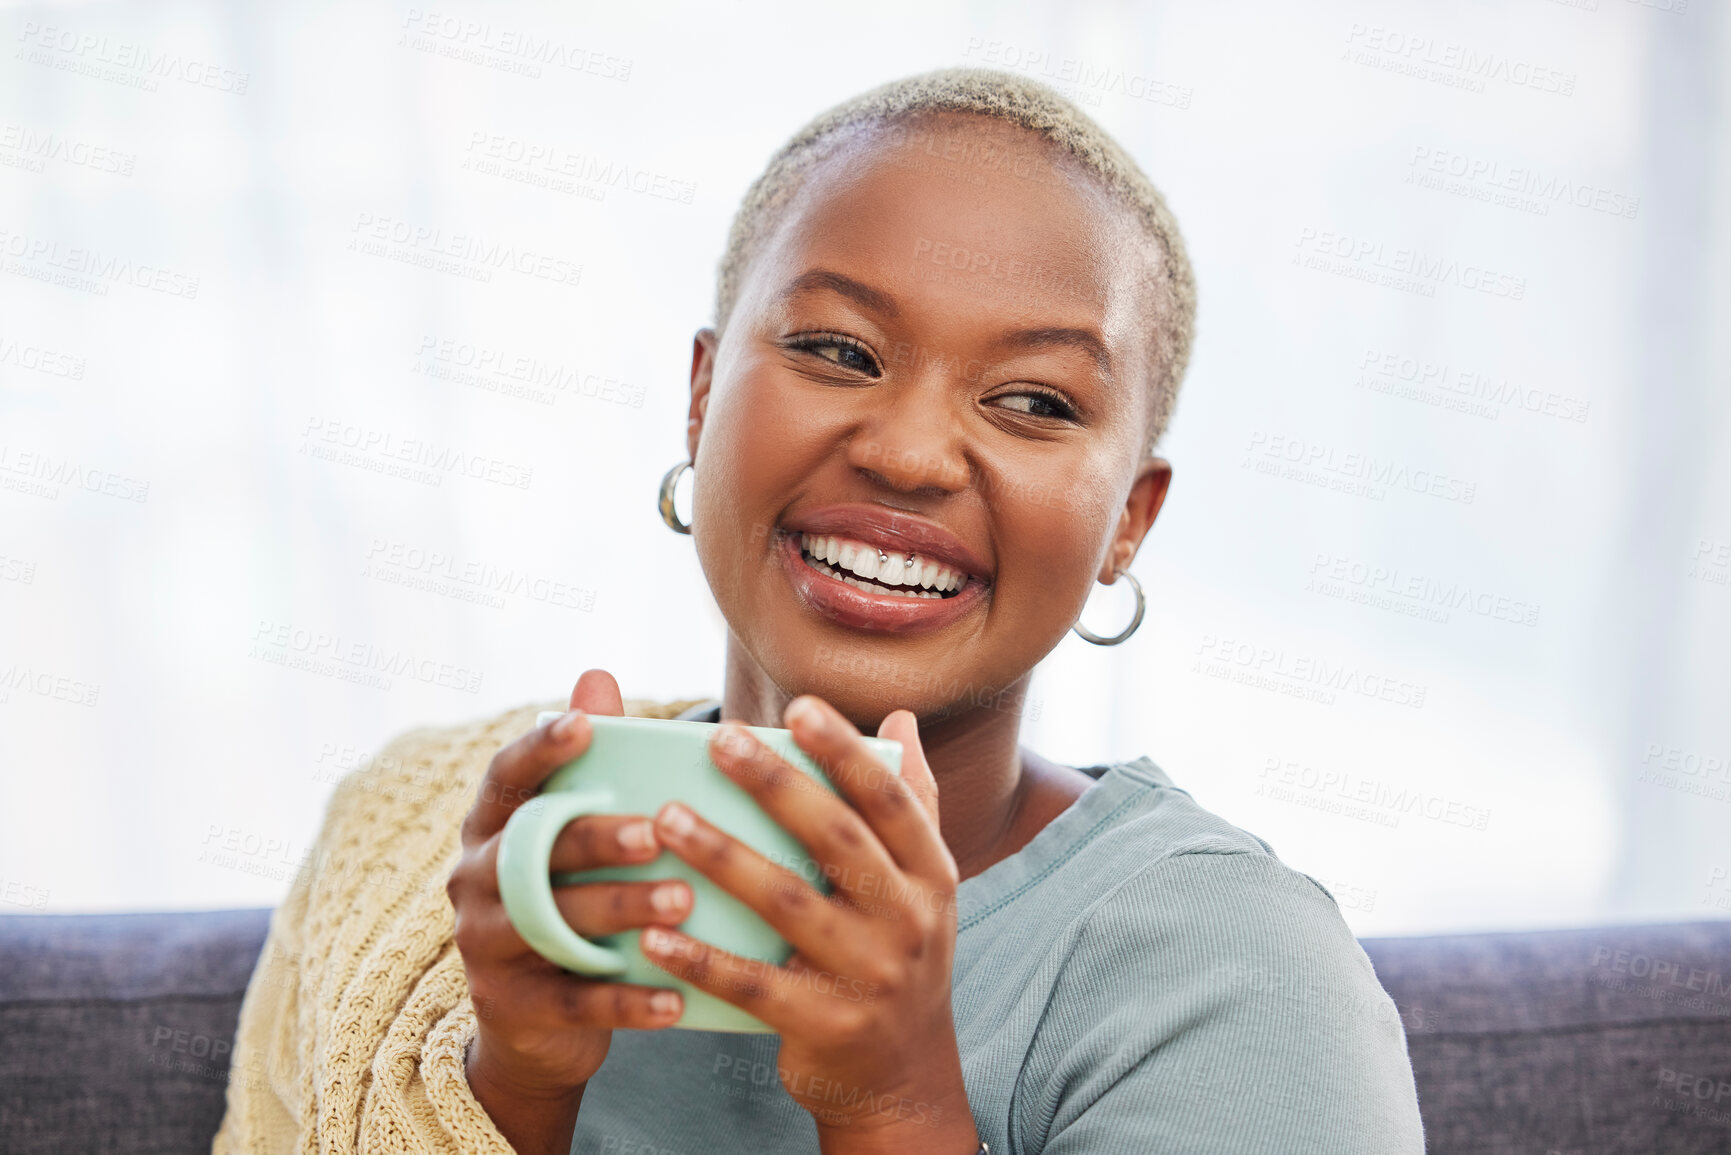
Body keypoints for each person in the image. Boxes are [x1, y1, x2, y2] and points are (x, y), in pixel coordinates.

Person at [214, 67, 1426, 1154]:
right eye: (839, 351)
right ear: (701, 399)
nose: (906, 454)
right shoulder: (428, 846)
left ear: (1129, 522)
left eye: (1037, 404)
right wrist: (513, 1084)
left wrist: (891, 1103)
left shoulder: (1236, 976)